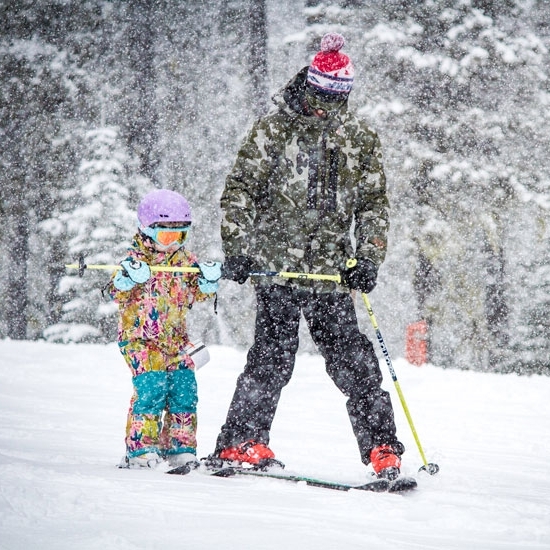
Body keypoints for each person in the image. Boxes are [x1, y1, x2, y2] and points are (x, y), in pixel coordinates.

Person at [207, 33, 405, 480]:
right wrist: (238, 248)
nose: (326, 105)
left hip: (332, 273)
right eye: (320, 95)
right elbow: (239, 191)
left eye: (337, 97)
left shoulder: (359, 138)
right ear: (307, 85)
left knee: (355, 362)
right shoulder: (272, 129)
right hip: (276, 268)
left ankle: (382, 449)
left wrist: (369, 257)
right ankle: (241, 441)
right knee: (272, 358)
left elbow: (374, 203)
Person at [109, 189, 221, 470]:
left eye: (180, 235)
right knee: (151, 389)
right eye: (166, 236)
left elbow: (198, 293)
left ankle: (179, 447)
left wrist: (207, 281)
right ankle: (141, 449)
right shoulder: (134, 261)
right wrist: (125, 279)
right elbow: (116, 291)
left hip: (176, 341)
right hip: (140, 340)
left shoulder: (185, 262)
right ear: (147, 231)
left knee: (184, 389)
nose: (173, 244)